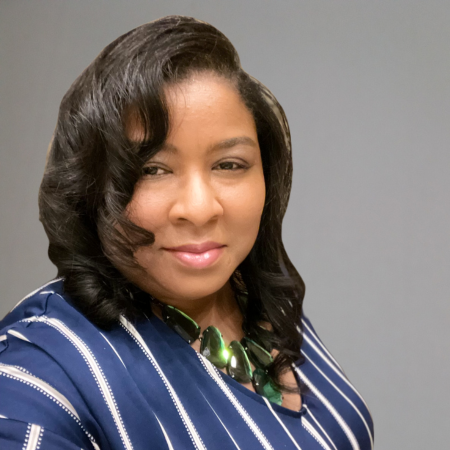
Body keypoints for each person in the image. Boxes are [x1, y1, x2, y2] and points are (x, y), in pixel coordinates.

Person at [0, 15, 374, 450]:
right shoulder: (38, 378)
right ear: (88, 186)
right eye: (152, 170)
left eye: (229, 165)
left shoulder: (255, 297)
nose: (199, 209)